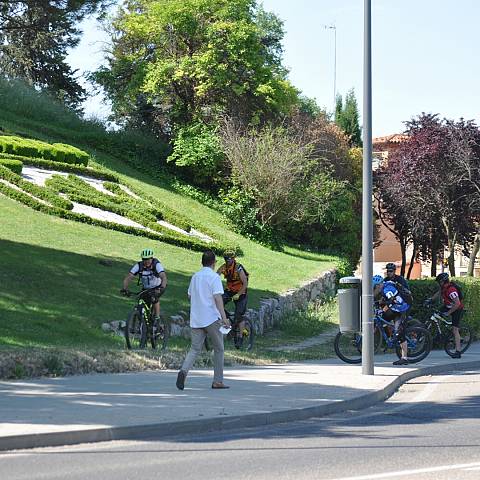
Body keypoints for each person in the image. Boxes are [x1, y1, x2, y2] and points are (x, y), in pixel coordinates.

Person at [176, 250, 231, 391]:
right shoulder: (214, 277)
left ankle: (183, 371)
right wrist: (224, 317)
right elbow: (218, 298)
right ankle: (217, 381)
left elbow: (189, 296)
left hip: (196, 318)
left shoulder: (195, 277)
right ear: (214, 263)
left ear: (202, 262)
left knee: (194, 349)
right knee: (219, 348)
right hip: (211, 318)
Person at [121, 248, 167, 326]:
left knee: (154, 298)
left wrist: (162, 287)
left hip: (158, 286)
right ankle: (144, 323)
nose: (146, 261)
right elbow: (129, 277)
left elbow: (163, 277)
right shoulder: (139, 265)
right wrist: (124, 288)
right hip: (146, 288)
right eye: (144, 259)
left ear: (152, 258)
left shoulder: (156, 264)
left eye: (148, 259)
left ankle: (157, 317)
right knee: (142, 301)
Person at [373, 275, 411, 365]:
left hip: (402, 310)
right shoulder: (384, 287)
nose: (373, 290)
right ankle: (390, 337)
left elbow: (392, 301)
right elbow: (385, 299)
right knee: (382, 318)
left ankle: (405, 358)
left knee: (399, 333)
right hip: (395, 309)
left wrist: (382, 310)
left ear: (378, 285)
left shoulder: (387, 289)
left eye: (374, 287)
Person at [427, 272, 464, 358]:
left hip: (457, 309)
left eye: (439, 282)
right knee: (436, 314)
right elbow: (438, 293)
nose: (438, 284)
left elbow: (457, 303)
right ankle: (440, 333)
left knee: (455, 329)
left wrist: (449, 312)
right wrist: (430, 300)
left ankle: (458, 351)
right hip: (448, 306)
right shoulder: (443, 288)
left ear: (443, 281)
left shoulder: (451, 290)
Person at [217, 249, 249, 348]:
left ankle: (240, 337)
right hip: (230, 290)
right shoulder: (223, 267)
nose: (228, 261)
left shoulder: (238, 268)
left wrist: (239, 294)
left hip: (241, 291)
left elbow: (245, 283)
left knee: (239, 315)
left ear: (234, 259)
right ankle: (227, 320)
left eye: (230, 259)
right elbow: (215, 276)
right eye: (226, 259)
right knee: (218, 303)